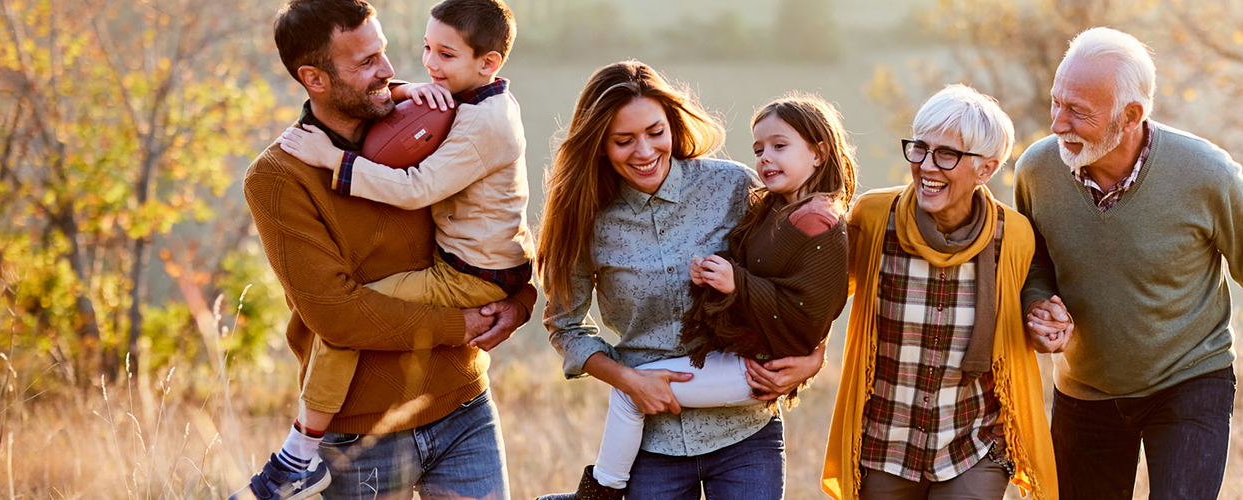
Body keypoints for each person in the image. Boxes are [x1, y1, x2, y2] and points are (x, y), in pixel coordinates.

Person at [1012, 28, 1243, 500]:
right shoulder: (1037, 171)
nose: (1058, 123)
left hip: (1190, 380)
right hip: (1086, 388)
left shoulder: (1207, 174)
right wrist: (1039, 304)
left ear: (1131, 116)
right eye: (1056, 103)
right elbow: (1033, 261)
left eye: (1078, 112)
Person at [238, 0, 534, 498]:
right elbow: (337, 315)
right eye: (367, 62)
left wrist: (520, 302)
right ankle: (297, 459)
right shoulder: (278, 177)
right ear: (315, 78)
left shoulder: (431, 119)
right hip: (360, 437)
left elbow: (501, 217)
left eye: (386, 53)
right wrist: (461, 326)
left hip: (465, 410)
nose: (392, 71)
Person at [540, 93, 857, 500]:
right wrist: (629, 380)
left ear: (671, 126)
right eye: (624, 140)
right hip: (654, 444)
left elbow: (806, 276)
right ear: (599, 143)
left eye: (656, 132)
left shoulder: (733, 185)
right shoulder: (588, 218)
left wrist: (814, 356)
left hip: (746, 432)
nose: (645, 151)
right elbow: (565, 326)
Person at [820, 85, 1064, 500]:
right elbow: (818, 296)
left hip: (974, 443)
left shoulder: (1014, 235)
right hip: (885, 445)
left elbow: (1029, 294)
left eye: (947, 154)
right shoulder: (876, 218)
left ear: (986, 169)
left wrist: (1044, 318)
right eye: (920, 148)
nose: (926, 166)